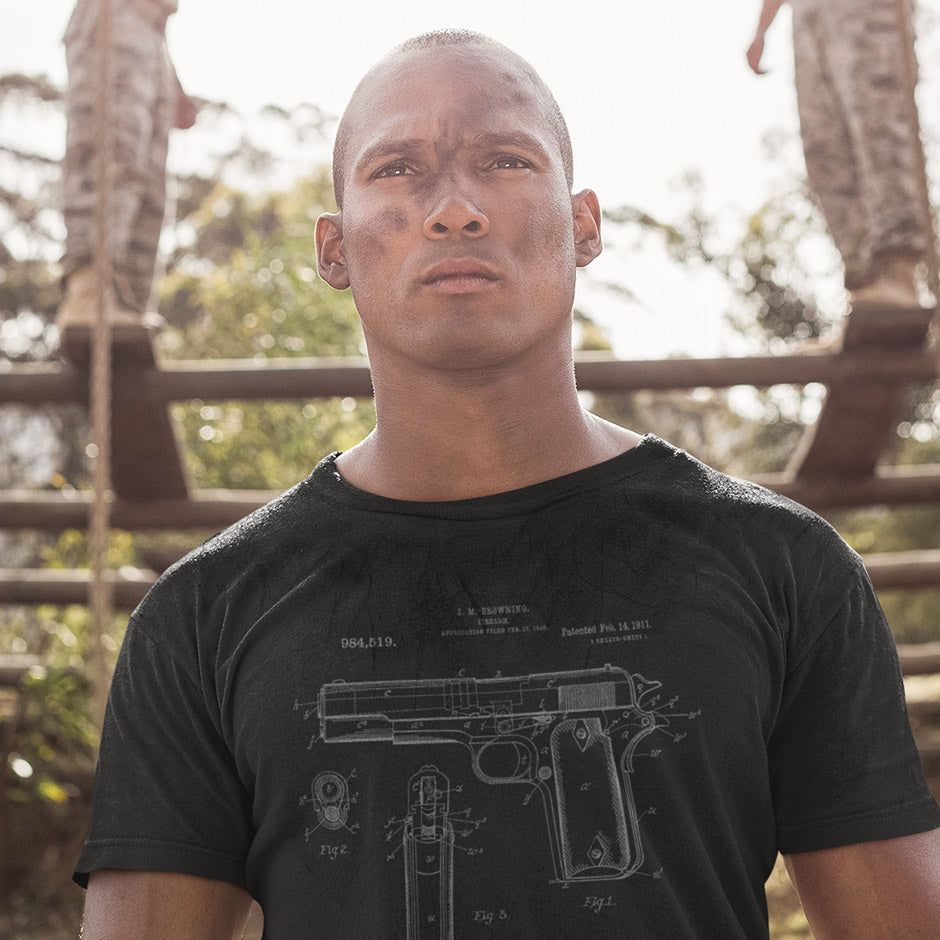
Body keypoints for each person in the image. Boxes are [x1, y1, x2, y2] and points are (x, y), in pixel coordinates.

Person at [75, 30, 940, 938]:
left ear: (586, 225)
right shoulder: (203, 615)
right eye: (399, 170)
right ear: (334, 250)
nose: (455, 209)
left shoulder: (786, 568)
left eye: (504, 160)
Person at [747, 0, 932, 313]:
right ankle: (865, 292)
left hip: (866, 9)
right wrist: (762, 29)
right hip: (807, 13)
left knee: (877, 124)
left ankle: (899, 278)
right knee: (825, 148)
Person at [58, 0, 197, 347]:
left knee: (150, 186)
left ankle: (126, 301)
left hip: (152, 33)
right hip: (114, 13)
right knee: (110, 155)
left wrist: (171, 76)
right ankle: (89, 289)